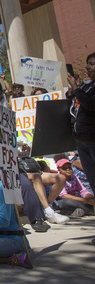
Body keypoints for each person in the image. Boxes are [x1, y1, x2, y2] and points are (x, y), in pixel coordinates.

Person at [67, 52, 95, 228]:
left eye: (92, 64)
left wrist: (77, 88)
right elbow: (76, 104)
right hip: (81, 140)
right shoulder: (86, 86)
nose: (88, 67)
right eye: (88, 64)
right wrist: (73, 91)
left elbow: (90, 105)